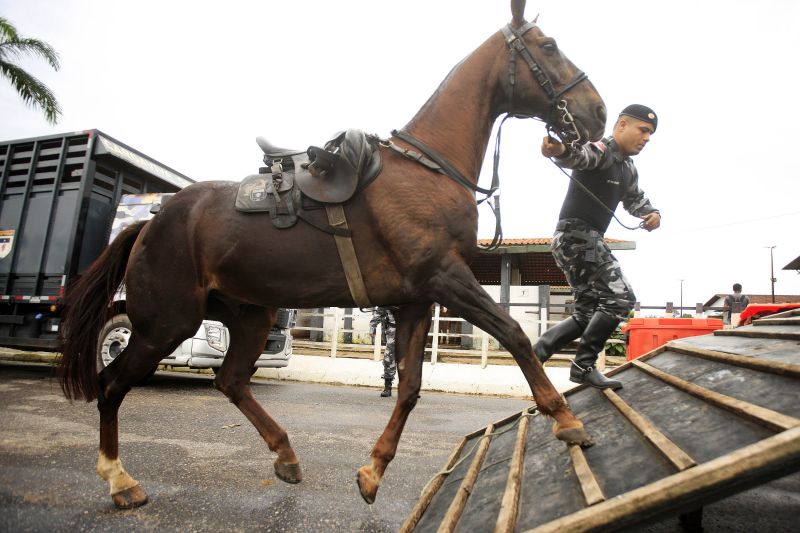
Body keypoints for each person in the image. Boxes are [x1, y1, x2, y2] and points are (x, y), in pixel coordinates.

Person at [536, 104, 662, 390]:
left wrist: (651, 214)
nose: (646, 138)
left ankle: (538, 352)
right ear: (621, 126)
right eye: (643, 130)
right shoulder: (602, 151)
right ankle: (583, 367)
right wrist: (559, 151)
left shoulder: (627, 167)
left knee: (586, 311)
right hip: (577, 237)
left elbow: (634, 199)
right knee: (620, 298)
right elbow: (579, 156)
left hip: (582, 240)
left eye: (650, 134)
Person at [370, 307, 396, 397]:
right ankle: (387, 387)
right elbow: (380, 310)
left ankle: (412, 389)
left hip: (409, 330)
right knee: (389, 358)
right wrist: (372, 326)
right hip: (393, 330)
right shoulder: (389, 294)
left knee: (411, 359)